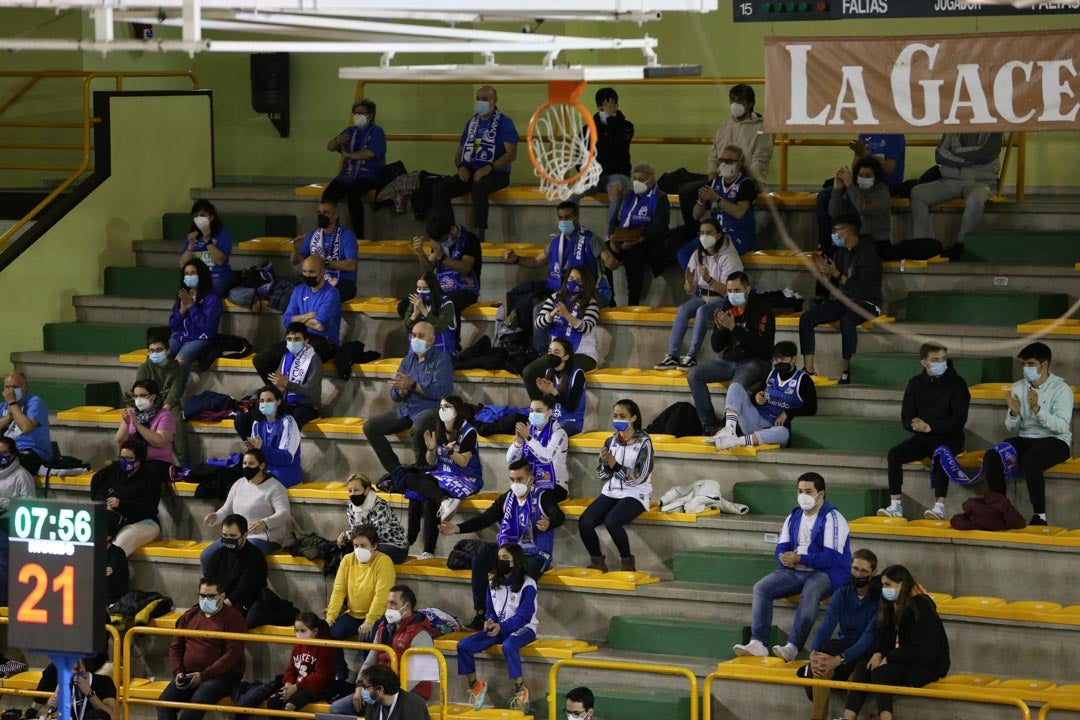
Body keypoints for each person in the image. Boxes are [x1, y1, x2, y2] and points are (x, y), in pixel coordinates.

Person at [734, 472, 851, 662]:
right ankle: (758, 643)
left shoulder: (833, 518)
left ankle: (793, 646)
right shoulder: (794, 515)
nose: (803, 495)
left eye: (808, 491)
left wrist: (799, 558)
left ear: (820, 494)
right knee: (761, 588)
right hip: (796, 569)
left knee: (811, 590)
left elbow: (832, 558)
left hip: (828, 572)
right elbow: (781, 547)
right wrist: (784, 559)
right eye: (800, 491)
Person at [440, 460, 565, 631]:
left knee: (519, 572)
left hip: (535, 554)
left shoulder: (543, 496)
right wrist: (457, 528)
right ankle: (481, 614)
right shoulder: (507, 498)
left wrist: (550, 522)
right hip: (509, 551)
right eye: (512, 479)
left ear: (531, 479)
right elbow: (487, 518)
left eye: (520, 479)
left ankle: (513, 621)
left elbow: (559, 515)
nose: (515, 484)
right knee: (481, 557)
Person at [838, 565, 950, 720]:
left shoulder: (920, 607)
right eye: (883, 585)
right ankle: (847, 717)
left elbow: (921, 649)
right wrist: (878, 653)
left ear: (902, 584)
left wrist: (889, 658)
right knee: (866, 666)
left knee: (880, 672)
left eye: (888, 585)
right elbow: (884, 636)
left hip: (925, 664)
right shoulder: (890, 607)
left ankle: (886, 717)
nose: (884, 589)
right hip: (903, 660)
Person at [983, 342, 1073, 526]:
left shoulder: (1061, 389)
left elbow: (1062, 426)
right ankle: (999, 511)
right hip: (1025, 437)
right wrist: (1014, 413)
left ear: (1044, 365)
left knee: (1031, 458)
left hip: (1056, 441)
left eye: (1030, 364)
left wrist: (1038, 409)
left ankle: (1040, 515)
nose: (1026, 368)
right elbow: (1011, 428)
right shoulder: (1018, 387)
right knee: (993, 456)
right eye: (1023, 364)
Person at [878, 343, 970, 520]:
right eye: (935, 360)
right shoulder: (915, 383)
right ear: (924, 362)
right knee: (894, 454)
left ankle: (939, 507)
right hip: (924, 437)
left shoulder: (958, 383)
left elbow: (959, 420)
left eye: (943, 359)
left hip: (951, 438)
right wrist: (915, 425)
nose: (940, 363)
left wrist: (930, 426)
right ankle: (895, 505)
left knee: (941, 453)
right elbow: (906, 416)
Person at [687, 271, 775, 435]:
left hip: (755, 362)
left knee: (736, 385)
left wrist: (734, 328)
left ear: (747, 289)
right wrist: (720, 329)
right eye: (730, 291)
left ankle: (730, 428)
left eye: (737, 290)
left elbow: (763, 347)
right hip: (729, 361)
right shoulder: (727, 307)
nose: (733, 295)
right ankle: (710, 427)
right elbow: (716, 347)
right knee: (694, 374)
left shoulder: (763, 310)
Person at [503, 201, 602, 348]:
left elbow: (609, 260)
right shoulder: (556, 242)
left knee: (538, 309)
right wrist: (516, 258)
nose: (563, 221)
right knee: (534, 307)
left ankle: (543, 352)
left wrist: (612, 254)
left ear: (577, 218)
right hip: (561, 292)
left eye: (567, 217)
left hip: (585, 292)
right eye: (560, 217)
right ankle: (540, 353)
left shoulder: (591, 239)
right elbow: (536, 262)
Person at [798, 549, 882, 720]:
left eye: (864, 571)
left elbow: (868, 637)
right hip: (844, 645)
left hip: (866, 652)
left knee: (856, 679)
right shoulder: (841, 594)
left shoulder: (878, 600)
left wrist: (839, 660)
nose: (858, 574)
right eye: (855, 569)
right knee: (820, 667)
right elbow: (826, 626)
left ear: (873, 573)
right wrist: (814, 653)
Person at [677, 83, 772, 231]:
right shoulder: (724, 127)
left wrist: (739, 180)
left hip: (747, 181)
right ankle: (695, 231)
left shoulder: (761, 129)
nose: (735, 104)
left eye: (739, 100)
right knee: (686, 190)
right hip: (723, 178)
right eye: (732, 100)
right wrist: (713, 180)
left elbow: (760, 160)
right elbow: (713, 156)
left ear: (750, 104)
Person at [456, 543, 537, 713]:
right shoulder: (493, 582)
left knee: (509, 645)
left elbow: (523, 617)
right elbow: (490, 610)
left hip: (524, 628)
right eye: (499, 558)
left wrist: (502, 627)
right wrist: (490, 621)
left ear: (516, 561)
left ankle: (521, 690)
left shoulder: (528, 584)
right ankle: (475, 686)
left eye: (505, 558)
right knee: (463, 646)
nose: (501, 561)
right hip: (498, 628)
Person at [800, 215, 882, 385]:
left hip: (867, 302)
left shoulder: (868, 253)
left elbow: (862, 289)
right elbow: (831, 284)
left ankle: (847, 370)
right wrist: (823, 273)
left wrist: (836, 274)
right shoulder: (840, 253)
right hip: (843, 301)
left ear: (846, 232)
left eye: (835, 231)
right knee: (807, 318)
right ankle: (808, 370)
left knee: (847, 321)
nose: (833, 235)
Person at [655, 218, 744, 371]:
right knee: (683, 309)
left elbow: (728, 291)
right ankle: (673, 355)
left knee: (702, 311)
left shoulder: (729, 256)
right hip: (703, 296)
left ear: (718, 235)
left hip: (722, 300)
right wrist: (689, 283)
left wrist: (709, 280)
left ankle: (691, 356)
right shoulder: (697, 255)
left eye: (708, 233)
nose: (704, 236)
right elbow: (690, 289)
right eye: (702, 233)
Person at [363, 322, 452, 473]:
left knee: (419, 429)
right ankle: (396, 471)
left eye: (421, 336)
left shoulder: (441, 359)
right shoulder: (407, 360)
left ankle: (424, 470)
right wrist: (400, 392)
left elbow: (442, 391)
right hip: (407, 409)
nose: (416, 339)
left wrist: (412, 386)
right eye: (414, 335)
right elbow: (394, 393)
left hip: (431, 409)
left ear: (431, 339)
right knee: (371, 427)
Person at [433, 85, 518, 241]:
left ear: (494, 100)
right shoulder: (471, 123)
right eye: (478, 99)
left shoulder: (505, 123)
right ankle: (448, 233)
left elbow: (511, 154)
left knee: (478, 188)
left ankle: (479, 237)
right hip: (471, 170)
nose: (481, 102)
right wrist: (460, 167)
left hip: (497, 173)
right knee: (440, 188)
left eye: (485, 99)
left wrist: (489, 167)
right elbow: (459, 154)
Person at [579, 399, 653, 572]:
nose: (618, 419)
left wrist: (615, 466)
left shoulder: (644, 442)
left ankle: (627, 563)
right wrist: (606, 464)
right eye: (615, 416)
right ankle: (597, 562)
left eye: (623, 416)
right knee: (585, 522)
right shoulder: (610, 441)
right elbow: (601, 474)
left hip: (636, 493)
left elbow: (639, 477)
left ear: (633, 418)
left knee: (612, 521)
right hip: (611, 491)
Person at [405, 395, 484, 557]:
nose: (443, 410)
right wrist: (432, 449)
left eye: (447, 406)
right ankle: (443, 501)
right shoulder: (439, 429)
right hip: (442, 474)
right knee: (411, 481)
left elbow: (463, 462)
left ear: (457, 410)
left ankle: (428, 549)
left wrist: (450, 452)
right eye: (441, 407)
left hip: (466, 477)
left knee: (428, 499)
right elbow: (432, 461)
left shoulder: (469, 431)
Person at [158, 578, 246, 720]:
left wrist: (204, 675)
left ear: (222, 596)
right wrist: (178, 672)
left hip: (222, 675)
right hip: (188, 673)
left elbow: (232, 654)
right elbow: (176, 647)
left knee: (198, 701)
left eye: (211, 596)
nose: (206, 599)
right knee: (164, 704)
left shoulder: (233, 618)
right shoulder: (189, 615)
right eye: (202, 596)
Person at [910, 133, 1003, 256]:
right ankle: (921, 245)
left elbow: (987, 154)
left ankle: (960, 244)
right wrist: (970, 159)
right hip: (950, 180)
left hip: (981, 181)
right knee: (918, 193)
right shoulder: (953, 126)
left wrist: (954, 154)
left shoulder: (994, 127)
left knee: (975, 200)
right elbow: (939, 156)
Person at [714, 341, 818, 451]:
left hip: (776, 429)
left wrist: (787, 413)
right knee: (735, 387)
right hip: (756, 421)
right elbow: (756, 397)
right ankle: (729, 430)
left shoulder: (803, 380)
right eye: (776, 360)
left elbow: (811, 409)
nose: (779, 363)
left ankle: (737, 441)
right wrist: (756, 398)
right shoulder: (771, 374)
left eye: (783, 359)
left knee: (783, 433)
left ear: (793, 359)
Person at [814, 134, 906, 254]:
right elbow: (834, 213)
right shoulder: (865, 133)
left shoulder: (882, 192)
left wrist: (865, 153)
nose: (863, 178)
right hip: (855, 241)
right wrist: (837, 190)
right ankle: (825, 245)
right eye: (861, 175)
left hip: (874, 242)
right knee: (824, 195)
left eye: (867, 176)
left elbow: (865, 208)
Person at [326, 525, 397, 680]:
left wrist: (369, 621)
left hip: (378, 616)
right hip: (353, 613)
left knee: (367, 638)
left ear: (374, 545)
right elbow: (338, 590)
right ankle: (341, 674)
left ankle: (368, 680)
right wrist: (330, 617)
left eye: (363, 546)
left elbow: (382, 595)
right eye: (355, 546)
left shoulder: (384, 562)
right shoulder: (347, 560)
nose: (358, 549)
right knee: (329, 633)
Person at [235, 613, 335, 715]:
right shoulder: (298, 644)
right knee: (273, 702)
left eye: (303, 631)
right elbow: (291, 668)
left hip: (315, 688)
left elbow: (320, 676)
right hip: (296, 684)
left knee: (289, 707)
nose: (299, 634)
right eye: (296, 631)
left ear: (315, 631)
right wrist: (288, 684)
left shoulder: (324, 646)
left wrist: (296, 687)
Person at [202, 448, 291, 562]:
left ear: (262, 465)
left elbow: (284, 513)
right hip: (236, 535)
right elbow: (227, 509)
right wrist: (216, 516)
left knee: (241, 556)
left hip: (263, 537)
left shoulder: (275, 487)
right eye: (244, 463)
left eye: (251, 464)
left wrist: (265, 523)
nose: (247, 467)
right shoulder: (239, 484)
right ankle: (208, 580)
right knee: (207, 556)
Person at [522, 266, 601, 395]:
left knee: (561, 370)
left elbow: (586, 328)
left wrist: (567, 315)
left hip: (583, 354)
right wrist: (552, 313)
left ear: (585, 284)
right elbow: (538, 323)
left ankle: (560, 408)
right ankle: (542, 408)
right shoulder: (555, 298)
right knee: (529, 372)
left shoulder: (590, 303)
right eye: (571, 278)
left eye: (579, 281)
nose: (573, 282)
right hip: (557, 354)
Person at [255, 255, 341, 372]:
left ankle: (293, 388)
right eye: (304, 271)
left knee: (297, 361)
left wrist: (297, 320)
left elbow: (319, 326)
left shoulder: (331, 293)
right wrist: (305, 316)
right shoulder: (298, 290)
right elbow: (286, 321)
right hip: (298, 338)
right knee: (261, 360)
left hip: (324, 342)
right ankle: (277, 390)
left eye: (311, 272)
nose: (307, 275)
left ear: (322, 272)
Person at [602, 162, 671, 307]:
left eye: (642, 179)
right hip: (623, 236)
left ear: (651, 180)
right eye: (636, 179)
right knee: (604, 251)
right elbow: (614, 219)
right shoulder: (629, 195)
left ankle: (633, 302)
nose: (638, 182)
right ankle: (610, 298)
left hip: (647, 240)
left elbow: (659, 225)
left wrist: (638, 239)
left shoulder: (660, 197)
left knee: (632, 255)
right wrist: (612, 237)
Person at [355, 585, 438, 701]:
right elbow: (370, 661)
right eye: (388, 603)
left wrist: (388, 696)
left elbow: (414, 678)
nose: (388, 607)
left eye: (393, 603)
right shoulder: (382, 628)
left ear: (407, 606)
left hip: (410, 693)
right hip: (381, 690)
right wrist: (360, 686)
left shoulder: (421, 634)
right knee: (339, 709)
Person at [241, 322, 322, 438]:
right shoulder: (285, 357)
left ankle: (283, 451)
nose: (293, 342)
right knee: (244, 416)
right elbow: (280, 385)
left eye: (297, 339)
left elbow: (311, 391)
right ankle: (255, 448)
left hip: (306, 406)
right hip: (286, 403)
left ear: (306, 341)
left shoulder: (314, 360)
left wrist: (287, 384)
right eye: (289, 339)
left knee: (291, 419)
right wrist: (278, 388)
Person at [322, 98, 387, 237]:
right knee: (328, 196)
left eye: (360, 113)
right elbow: (330, 147)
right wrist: (336, 141)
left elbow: (369, 153)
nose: (356, 116)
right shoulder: (350, 131)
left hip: (369, 176)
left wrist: (347, 154)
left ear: (370, 115)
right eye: (354, 113)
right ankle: (331, 233)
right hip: (347, 175)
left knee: (353, 195)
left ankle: (359, 236)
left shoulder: (377, 132)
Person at [89, 441, 166, 557]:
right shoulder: (116, 474)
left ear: (139, 460)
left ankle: (113, 570)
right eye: (122, 458)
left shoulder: (149, 477)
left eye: (129, 459)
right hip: (116, 521)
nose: (125, 462)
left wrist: (121, 504)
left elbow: (149, 509)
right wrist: (105, 503)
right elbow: (98, 493)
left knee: (117, 546)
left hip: (144, 522)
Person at [569, 87, 634, 219]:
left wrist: (611, 119)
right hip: (594, 176)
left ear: (616, 106)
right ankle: (571, 230)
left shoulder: (626, 126)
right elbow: (580, 155)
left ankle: (612, 234)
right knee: (571, 193)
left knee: (616, 192)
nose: (604, 112)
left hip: (618, 174)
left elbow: (619, 144)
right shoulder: (588, 129)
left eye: (608, 108)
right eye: (601, 109)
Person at [407, 214, 482, 321]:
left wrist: (442, 257)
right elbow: (428, 269)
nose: (441, 243)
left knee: (449, 302)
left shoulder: (470, 239)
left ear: (452, 230)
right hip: (441, 287)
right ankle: (419, 335)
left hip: (465, 289)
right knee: (407, 304)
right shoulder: (438, 240)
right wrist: (420, 253)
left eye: (442, 240)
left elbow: (465, 268)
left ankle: (451, 337)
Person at [199, 514, 269, 621]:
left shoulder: (255, 556)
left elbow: (246, 588)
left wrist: (222, 606)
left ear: (244, 535)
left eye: (232, 536)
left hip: (244, 602)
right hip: (219, 600)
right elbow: (209, 580)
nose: (228, 539)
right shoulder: (218, 554)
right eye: (224, 535)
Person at [691, 144, 759, 255]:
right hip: (715, 235)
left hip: (738, 235)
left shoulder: (746, 184)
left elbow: (739, 213)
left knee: (714, 250)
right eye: (722, 160)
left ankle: (716, 272)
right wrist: (701, 202)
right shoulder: (714, 183)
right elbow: (696, 215)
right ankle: (702, 272)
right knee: (684, 253)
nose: (724, 164)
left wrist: (716, 199)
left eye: (729, 161)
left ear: (740, 163)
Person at [291, 200, 360, 302]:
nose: (321, 215)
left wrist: (324, 263)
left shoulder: (347, 235)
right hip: (316, 280)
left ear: (335, 215)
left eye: (325, 213)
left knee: (324, 296)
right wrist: (295, 249)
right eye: (319, 212)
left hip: (343, 282)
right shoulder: (313, 235)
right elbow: (295, 261)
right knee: (291, 291)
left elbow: (351, 265)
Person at [138, 334, 189, 467]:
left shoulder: (176, 367)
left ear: (167, 351)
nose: (155, 353)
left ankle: (183, 462)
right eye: (152, 350)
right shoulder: (144, 368)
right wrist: (153, 408)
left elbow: (175, 391)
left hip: (169, 404)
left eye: (159, 350)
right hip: (149, 404)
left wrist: (165, 408)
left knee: (177, 420)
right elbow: (141, 392)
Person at [506, 396, 570, 502]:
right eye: (531, 411)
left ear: (550, 412)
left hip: (555, 485)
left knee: (538, 499)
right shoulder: (528, 430)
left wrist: (528, 438)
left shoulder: (559, 433)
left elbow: (546, 457)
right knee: (506, 499)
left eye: (538, 411)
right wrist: (519, 442)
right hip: (530, 484)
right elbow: (511, 460)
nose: (534, 414)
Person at [169, 258, 222, 383]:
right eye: (186, 274)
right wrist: (181, 312)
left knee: (180, 359)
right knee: (158, 356)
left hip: (201, 338)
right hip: (181, 336)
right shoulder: (183, 295)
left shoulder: (212, 298)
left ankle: (174, 399)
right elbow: (173, 326)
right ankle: (152, 393)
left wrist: (192, 306)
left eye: (193, 273)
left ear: (201, 275)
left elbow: (206, 326)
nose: (189, 276)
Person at [237, 387, 302, 488]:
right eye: (262, 401)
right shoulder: (257, 423)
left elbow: (286, 458)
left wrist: (262, 449)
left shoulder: (288, 422)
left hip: (285, 472)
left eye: (269, 400)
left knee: (262, 485)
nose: (265, 404)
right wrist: (253, 450)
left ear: (279, 401)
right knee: (238, 482)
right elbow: (257, 458)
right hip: (264, 470)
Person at [338, 473, 409, 565]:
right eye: (350, 491)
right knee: (345, 551)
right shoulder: (351, 508)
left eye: (356, 490)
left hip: (394, 547)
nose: (352, 494)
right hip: (367, 545)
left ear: (367, 490)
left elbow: (372, 534)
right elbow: (355, 534)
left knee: (363, 553)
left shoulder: (380, 506)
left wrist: (345, 535)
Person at [0, 436, 34, 603]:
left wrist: (4, 503)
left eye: (4, 453)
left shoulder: (22, 476)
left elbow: (29, 507)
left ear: (13, 454)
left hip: (10, 526)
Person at [529, 338, 587, 437]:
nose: (552, 355)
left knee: (549, 433)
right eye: (550, 352)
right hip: (552, 419)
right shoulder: (549, 372)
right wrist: (544, 392)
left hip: (571, 422)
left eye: (556, 352)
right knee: (525, 427)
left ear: (566, 356)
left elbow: (571, 406)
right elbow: (548, 404)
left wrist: (554, 391)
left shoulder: (578, 374)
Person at [0, 371, 53, 473]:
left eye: (14, 387)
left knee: (12, 463)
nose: (10, 391)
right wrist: (8, 417)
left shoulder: (35, 402)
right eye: (7, 387)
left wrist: (13, 403)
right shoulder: (2, 406)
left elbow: (26, 428)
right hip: (6, 450)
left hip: (32, 452)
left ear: (24, 387)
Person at [179, 198, 232, 297]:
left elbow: (220, 260)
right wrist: (190, 246)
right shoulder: (191, 236)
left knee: (207, 290)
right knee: (183, 291)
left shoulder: (222, 234)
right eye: (196, 216)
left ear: (211, 217)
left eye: (203, 215)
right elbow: (183, 264)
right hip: (196, 278)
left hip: (217, 277)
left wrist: (207, 240)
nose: (199, 218)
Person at [116, 378, 176, 465]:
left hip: (157, 462)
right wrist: (126, 424)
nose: (138, 399)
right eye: (135, 396)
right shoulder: (130, 414)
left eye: (142, 395)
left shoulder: (165, 415)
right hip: (131, 461)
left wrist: (138, 425)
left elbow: (159, 442)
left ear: (153, 396)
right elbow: (120, 442)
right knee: (101, 476)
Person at [40, 658, 118, 720]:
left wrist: (89, 693)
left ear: (84, 668)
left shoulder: (104, 682)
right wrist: (53, 707)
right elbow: (57, 714)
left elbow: (112, 716)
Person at [403, 271, 459, 354]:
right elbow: (405, 330)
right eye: (419, 288)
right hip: (418, 352)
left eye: (425, 289)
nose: (421, 292)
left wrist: (424, 311)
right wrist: (415, 314)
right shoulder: (415, 302)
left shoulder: (446, 303)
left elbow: (440, 328)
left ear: (433, 289)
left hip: (442, 352)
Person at [355, 664, 432, 720]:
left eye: (367, 687)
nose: (363, 690)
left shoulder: (413, 705)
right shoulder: (373, 703)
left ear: (380, 689)